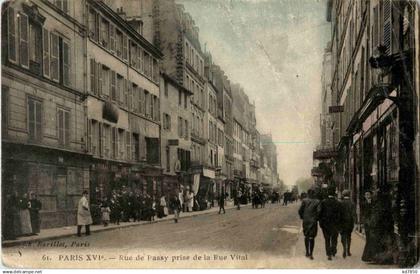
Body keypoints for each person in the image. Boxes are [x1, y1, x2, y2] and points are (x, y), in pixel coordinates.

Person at [318, 187, 342, 260]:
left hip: (325, 224)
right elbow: (340, 214)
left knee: (327, 239)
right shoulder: (338, 202)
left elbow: (320, 213)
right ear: (334, 193)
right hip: (335, 224)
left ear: (327, 193)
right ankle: (333, 251)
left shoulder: (323, 202)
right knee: (334, 238)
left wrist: (321, 223)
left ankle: (328, 254)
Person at [298, 189, 320, 260]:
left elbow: (300, 210)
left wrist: (302, 217)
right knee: (312, 237)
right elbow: (319, 211)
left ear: (308, 194)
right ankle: (311, 254)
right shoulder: (317, 201)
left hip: (306, 221)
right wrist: (316, 218)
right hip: (313, 221)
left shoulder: (304, 201)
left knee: (306, 236)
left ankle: (307, 252)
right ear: (314, 194)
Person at [340, 190, 356, 258]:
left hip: (342, 222)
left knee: (343, 236)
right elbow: (353, 214)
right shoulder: (352, 203)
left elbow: (339, 214)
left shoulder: (340, 203)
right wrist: (355, 222)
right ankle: (348, 251)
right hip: (349, 222)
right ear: (349, 195)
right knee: (349, 236)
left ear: (343, 195)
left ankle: (344, 249)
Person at [361, 190, 375, 262]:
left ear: (371, 195)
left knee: (371, 240)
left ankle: (369, 256)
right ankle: (366, 257)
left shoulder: (374, 203)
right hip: (367, 224)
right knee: (368, 240)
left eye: (368, 194)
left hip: (373, 223)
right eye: (366, 195)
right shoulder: (363, 204)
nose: (367, 196)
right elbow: (364, 214)